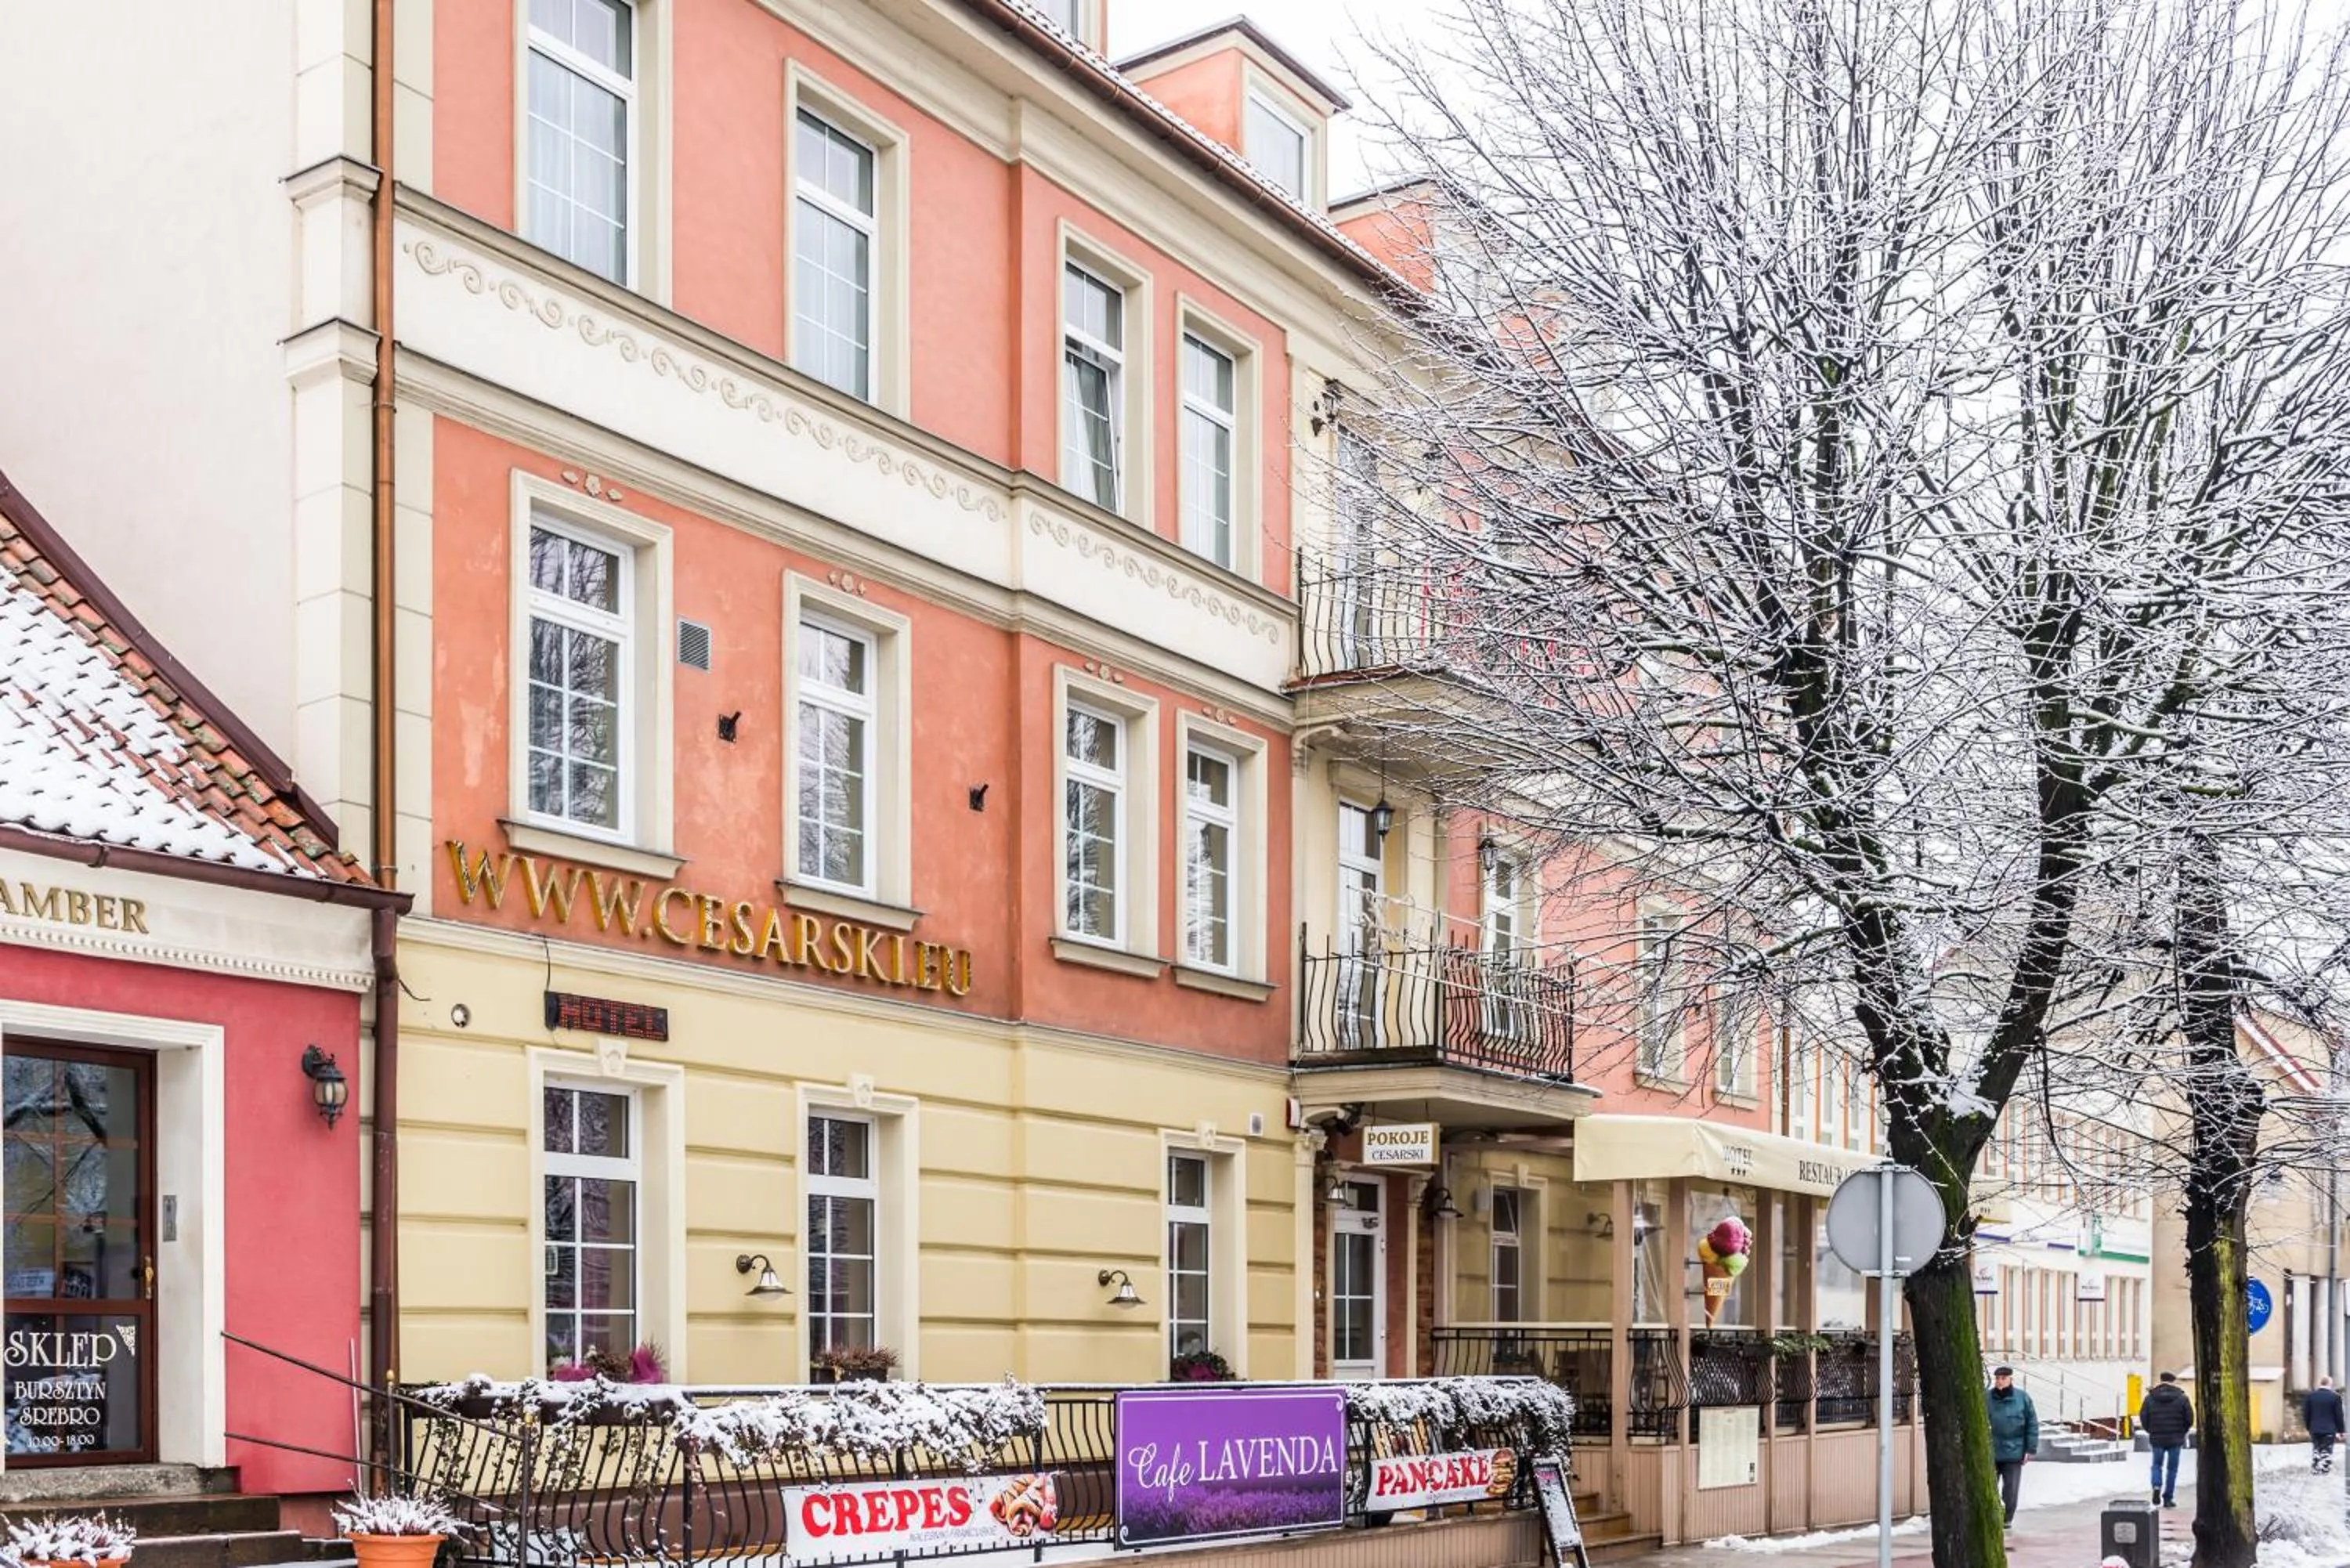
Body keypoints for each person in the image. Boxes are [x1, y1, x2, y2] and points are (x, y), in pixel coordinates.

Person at [1987, 1365, 2041, 1530]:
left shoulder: (2022, 1398)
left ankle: (2007, 1518)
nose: (2000, 1382)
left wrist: (2030, 1449)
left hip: (2014, 1451)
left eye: (2003, 1378)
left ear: (2011, 1379)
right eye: (1997, 1378)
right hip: (1990, 1451)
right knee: (1989, 1487)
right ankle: (1990, 1516)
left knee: (2010, 1489)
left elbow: (2032, 1424)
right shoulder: (1986, 1398)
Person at [2138, 1371, 2194, 1507]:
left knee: (2157, 1465)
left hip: (2157, 1437)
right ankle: (2168, 1498)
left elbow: (2144, 1417)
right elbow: (2189, 1419)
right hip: (2176, 1438)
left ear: (2161, 1380)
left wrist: (2151, 1430)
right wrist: (2182, 1431)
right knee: (2172, 1469)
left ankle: (2156, 1486)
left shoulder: (2150, 1398)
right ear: (2173, 1381)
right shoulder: (2182, 1398)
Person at [2308, 1376, 2345, 1475]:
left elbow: (2307, 1413)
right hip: (2329, 1429)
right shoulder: (2335, 1397)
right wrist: (2341, 1431)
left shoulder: (2311, 1396)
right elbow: (2339, 1415)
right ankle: (2324, 1467)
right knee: (2327, 1449)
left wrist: (2309, 1427)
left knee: (2317, 1446)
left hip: (2315, 1428)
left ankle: (2316, 1462)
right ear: (2330, 1384)